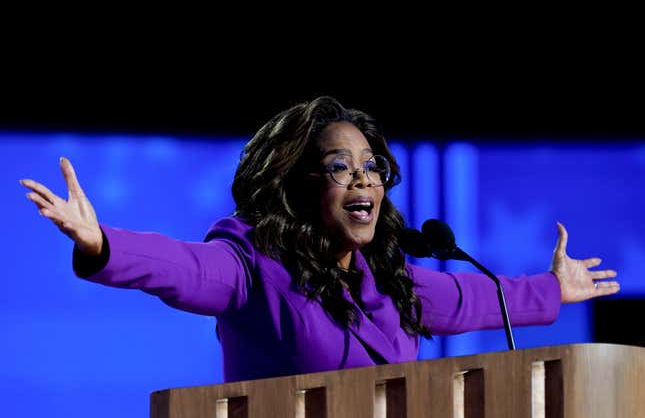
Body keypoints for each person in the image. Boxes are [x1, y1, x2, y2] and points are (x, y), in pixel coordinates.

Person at [20, 96, 619, 382]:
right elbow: (185, 268)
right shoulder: (253, 266)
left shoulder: (391, 283)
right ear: (300, 184)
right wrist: (102, 243)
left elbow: (473, 300)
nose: (362, 178)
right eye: (340, 165)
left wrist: (552, 288)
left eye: (371, 165)